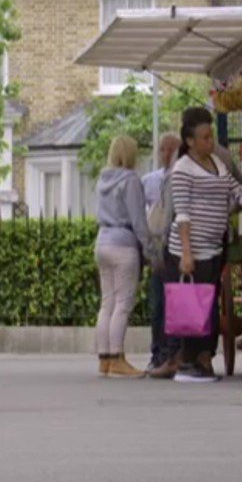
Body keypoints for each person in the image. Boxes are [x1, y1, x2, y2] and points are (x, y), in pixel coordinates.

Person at [164, 107, 242, 384]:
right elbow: (182, 214)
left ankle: (204, 357)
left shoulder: (217, 163)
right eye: (204, 138)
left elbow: (236, 191)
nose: (210, 142)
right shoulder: (182, 170)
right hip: (189, 251)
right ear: (190, 141)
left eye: (211, 136)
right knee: (192, 305)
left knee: (208, 304)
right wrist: (187, 254)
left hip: (214, 247)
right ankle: (190, 360)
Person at [93, 136, 151, 379]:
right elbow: (138, 219)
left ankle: (104, 359)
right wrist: (149, 249)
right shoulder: (130, 181)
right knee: (123, 304)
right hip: (124, 244)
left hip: (102, 242)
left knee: (107, 303)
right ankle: (118, 358)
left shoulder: (102, 180)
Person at [142, 134, 181, 377]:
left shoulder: (178, 175)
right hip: (157, 247)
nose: (166, 154)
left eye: (171, 149)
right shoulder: (150, 181)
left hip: (172, 245)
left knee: (171, 302)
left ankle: (172, 353)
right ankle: (157, 353)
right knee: (157, 304)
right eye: (162, 150)